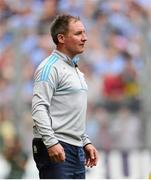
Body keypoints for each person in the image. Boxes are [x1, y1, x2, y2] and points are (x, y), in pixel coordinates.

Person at [32, 14, 99, 179]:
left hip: (76, 147)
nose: (85, 38)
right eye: (78, 33)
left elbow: (71, 112)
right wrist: (51, 142)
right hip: (56, 144)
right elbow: (39, 107)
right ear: (61, 38)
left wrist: (85, 141)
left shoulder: (75, 69)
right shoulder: (49, 68)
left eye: (84, 32)